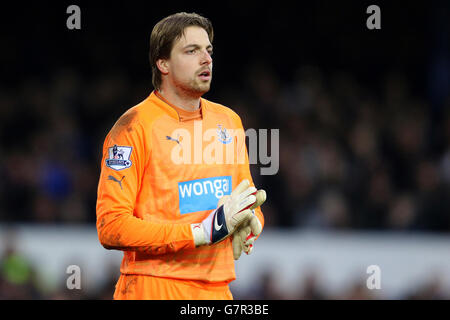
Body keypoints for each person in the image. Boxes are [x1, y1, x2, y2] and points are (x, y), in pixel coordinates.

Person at [96, 12, 266, 300]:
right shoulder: (133, 126)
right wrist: (199, 233)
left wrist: (251, 222)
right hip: (153, 285)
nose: (206, 59)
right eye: (192, 51)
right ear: (163, 63)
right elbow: (110, 227)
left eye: (208, 50)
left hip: (217, 290)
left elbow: (244, 198)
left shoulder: (229, 121)